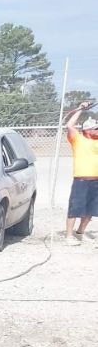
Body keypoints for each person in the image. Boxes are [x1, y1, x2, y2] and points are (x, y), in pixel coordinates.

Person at [65, 100, 98, 241]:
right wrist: (80, 109)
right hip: (81, 180)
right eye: (96, 128)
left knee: (91, 210)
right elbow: (69, 125)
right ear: (88, 130)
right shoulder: (78, 140)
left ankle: (80, 233)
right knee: (75, 209)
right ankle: (69, 236)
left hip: (96, 181)